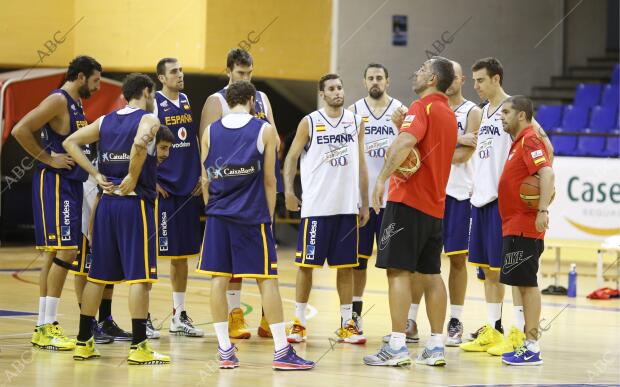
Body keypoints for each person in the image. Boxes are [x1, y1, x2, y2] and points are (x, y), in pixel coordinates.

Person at [197, 80, 314, 370]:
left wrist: (213, 207)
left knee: (218, 280)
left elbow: (205, 178)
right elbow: (270, 180)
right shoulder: (265, 130)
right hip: (252, 218)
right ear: (251, 100)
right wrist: (269, 218)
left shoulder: (211, 130)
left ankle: (225, 351)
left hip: (218, 217)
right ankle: (281, 352)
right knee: (267, 281)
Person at [63, 73, 170, 365]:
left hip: (106, 204)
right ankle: (139, 347)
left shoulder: (105, 121)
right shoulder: (149, 120)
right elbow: (139, 144)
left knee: (97, 276)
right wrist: (133, 176)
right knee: (141, 278)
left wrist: (96, 173)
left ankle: (83, 342)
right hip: (135, 207)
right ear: (147, 92)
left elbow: (71, 142)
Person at [363, 56, 456, 367]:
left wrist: (381, 179)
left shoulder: (422, 107)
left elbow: (405, 144)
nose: (416, 72)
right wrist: (400, 126)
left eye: (421, 69)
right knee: (431, 274)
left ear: (432, 79)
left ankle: (397, 345)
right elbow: (423, 151)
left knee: (398, 272)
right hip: (435, 208)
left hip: (407, 204)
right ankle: (436, 346)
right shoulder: (447, 113)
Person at [460, 58, 553, 355]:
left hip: (507, 206)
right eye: (473, 80)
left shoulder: (513, 112)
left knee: (511, 272)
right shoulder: (484, 113)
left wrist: (541, 192)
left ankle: (518, 333)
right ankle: (494, 329)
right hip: (481, 198)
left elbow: (546, 148)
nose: (475, 86)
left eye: (480, 80)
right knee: (488, 270)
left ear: (496, 79)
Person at [12, 55, 101, 351]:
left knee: (54, 253)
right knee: (67, 250)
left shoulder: (76, 103)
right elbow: (20, 129)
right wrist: (48, 159)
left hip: (71, 184)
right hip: (55, 184)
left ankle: (43, 326)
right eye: (95, 80)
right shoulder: (58, 100)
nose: (98, 86)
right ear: (80, 77)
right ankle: (47, 325)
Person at [199, 48, 281, 339]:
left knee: (265, 265)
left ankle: (266, 319)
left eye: (249, 73)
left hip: (259, 185)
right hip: (231, 191)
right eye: (240, 73)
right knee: (228, 266)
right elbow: (206, 153)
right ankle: (235, 315)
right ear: (228, 72)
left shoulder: (262, 98)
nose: (245, 77)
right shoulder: (216, 101)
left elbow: (276, 138)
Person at [284, 73, 369, 345]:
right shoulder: (310, 122)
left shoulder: (356, 123)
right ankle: (298, 322)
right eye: (331, 88)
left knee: (346, 268)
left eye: (340, 87)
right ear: (323, 93)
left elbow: (362, 165)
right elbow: (291, 157)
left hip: (346, 207)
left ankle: (347, 324)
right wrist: (288, 191)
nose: (337, 92)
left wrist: (364, 201)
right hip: (316, 208)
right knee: (306, 266)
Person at [403, 60, 482, 347]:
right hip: (428, 192)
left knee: (458, 260)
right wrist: (455, 140)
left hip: (459, 193)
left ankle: (455, 320)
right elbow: (419, 147)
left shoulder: (472, 111)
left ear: (460, 80)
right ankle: (410, 320)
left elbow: (463, 156)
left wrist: (432, 149)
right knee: (417, 262)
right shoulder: (427, 106)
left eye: (459, 76)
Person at [498, 96, 554, 366]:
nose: (502, 116)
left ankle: (532, 346)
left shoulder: (530, 138)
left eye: (507, 112)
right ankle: (527, 342)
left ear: (521, 115)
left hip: (525, 225)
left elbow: (547, 174)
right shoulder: (518, 142)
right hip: (514, 224)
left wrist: (542, 210)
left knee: (528, 284)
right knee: (522, 283)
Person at [348, 63, 403, 334]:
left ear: (388, 81)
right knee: (358, 262)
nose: (375, 82)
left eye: (380, 77)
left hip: (391, 199)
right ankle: (354, 317)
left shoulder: (400, 111)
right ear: (364, 81)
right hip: (362, 200)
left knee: (394, 264)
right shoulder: (354, 112)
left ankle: (400, 325)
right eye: (370, 77)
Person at [152, 57, 204, 338]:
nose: (180, 74)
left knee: (181, 256)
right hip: (165, 189)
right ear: (161, 77)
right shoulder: (154, 103)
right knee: (152, 254)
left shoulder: (184, 99)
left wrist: (200, 174)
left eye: (181, 70)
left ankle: (178, 315)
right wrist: (152, 178)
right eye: (174, 71)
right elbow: (143, 142)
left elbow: (192, 139)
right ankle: (144, 317)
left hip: (188, 186)